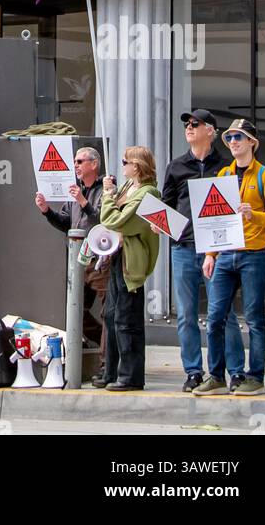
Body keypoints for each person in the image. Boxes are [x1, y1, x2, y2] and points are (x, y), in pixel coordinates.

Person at [193, 118, 265, 399]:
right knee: (214, 317)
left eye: (238, 138)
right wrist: (210, 253)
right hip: (225, 254)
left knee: (255, 319)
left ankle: (255, 377)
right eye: (230, 138)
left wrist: (252, 214)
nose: (233, 142)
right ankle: (217, 376)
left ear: (252, 143)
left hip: (253, 255)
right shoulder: (223, 176)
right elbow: (214, 220)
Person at [161, 108, 245, 392]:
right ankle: (194, 372)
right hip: (184, 248)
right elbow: (167, 205)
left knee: (223, 314)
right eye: (186, 124)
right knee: (185, 314)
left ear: (211, 130)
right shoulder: (176, 166)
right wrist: (160, 223)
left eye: (195, 124)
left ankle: (234, 372)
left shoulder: (225, 167)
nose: (189, 127)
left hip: (217, 249)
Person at [34, 145, 108, 378]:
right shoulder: (74, 193)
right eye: (75, 162)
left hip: (99, 258)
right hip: (79, 258)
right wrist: (47, 211)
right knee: (75, 311)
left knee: (108, 311)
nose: (75, 165)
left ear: (93, 164)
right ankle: (105, 341)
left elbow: (103, 220)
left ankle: (106, 362)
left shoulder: (104, 189)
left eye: (80, 161)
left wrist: (84, 201)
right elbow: (67, 223)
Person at [97, 145, 160, 391]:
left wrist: (107, 196)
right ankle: (111, 371)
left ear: (136, 166)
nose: (122, 165)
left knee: (127, 319)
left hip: (130, 262)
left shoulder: (147, 192)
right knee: (112, 315)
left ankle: (130, 375)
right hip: (118, 257)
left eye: (125, 161)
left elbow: (115, 220)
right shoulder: (128, 188)